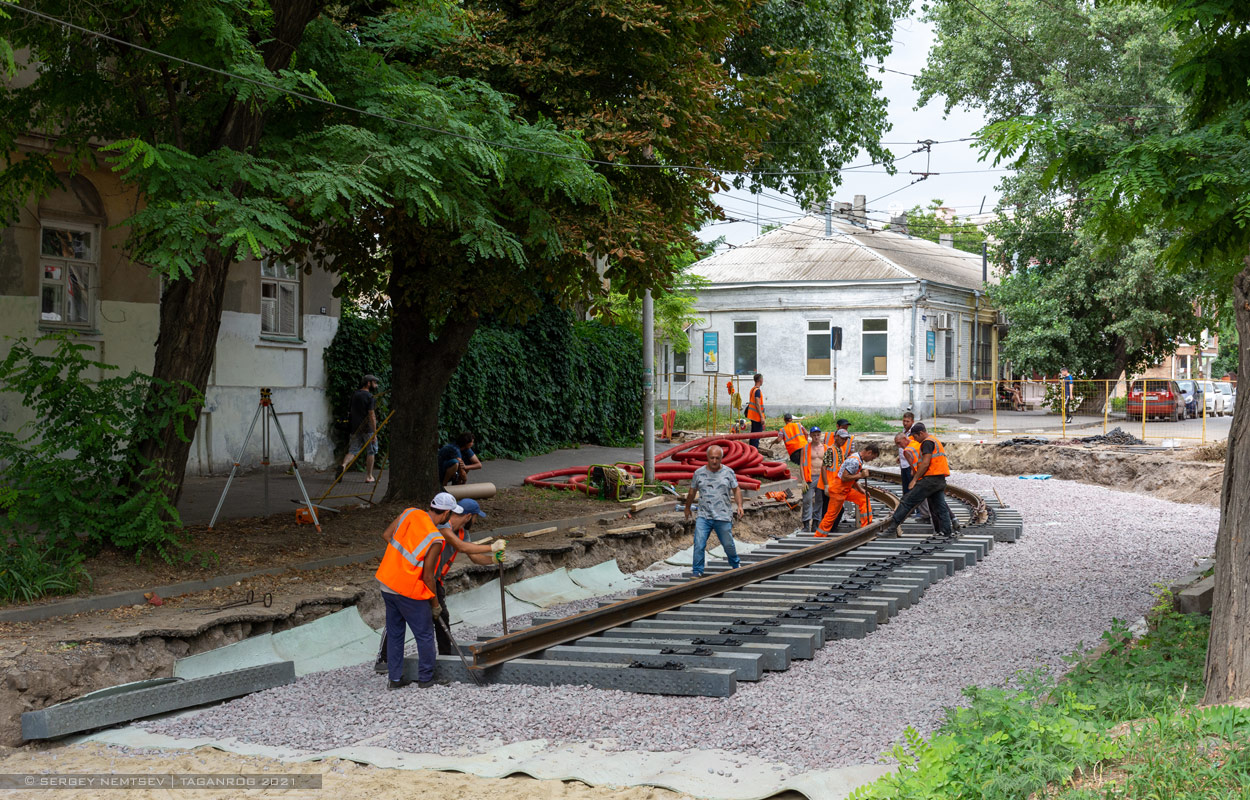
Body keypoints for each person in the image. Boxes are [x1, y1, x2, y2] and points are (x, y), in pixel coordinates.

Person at [377, 495, 505, 671]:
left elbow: (474, 556)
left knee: (441, 616)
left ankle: (445, 654)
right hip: (416, 577)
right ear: (469, 516)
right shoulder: (442, 528)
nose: (475, 521)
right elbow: (462, 547)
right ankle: (387, 660)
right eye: (475, 517)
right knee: (406, 619)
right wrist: (491, 547)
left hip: (434, 578)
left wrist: (494, 560)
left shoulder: (462, 533)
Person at [374, 495, 452, 689]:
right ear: (446, 513)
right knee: (424, 634)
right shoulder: (435, 538)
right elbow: (428, 577)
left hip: (387, 583)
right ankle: (425, 678)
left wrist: (399, 563)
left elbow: (387, 536)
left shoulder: (410, 512)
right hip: (408, 591)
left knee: (395, 633)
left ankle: (395, 679)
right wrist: (435, 605)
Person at [683, 445, 744, 578]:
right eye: (712, 458)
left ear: (722, 458)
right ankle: (697, 570)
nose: (715, 461)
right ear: (707, 458)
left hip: (723, 515)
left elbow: (736, 489)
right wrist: (687, 507)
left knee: (728, 544)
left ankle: (735, 565)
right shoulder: (699, 473)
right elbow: (692, 491)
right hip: (704, 516)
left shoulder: (729, 472)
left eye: (717, 458)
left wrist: (740, 505)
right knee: (699, 543)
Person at [883, 423, 953, 538]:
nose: (914, 439)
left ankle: (891, 529)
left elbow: (925, 463)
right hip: (940, 479)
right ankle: (947, 532)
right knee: (940, 507)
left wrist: (914, 480)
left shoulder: (927, 442)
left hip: (930, 479)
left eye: (915, 437)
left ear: (921, 433)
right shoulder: (934, 440)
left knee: (907, 501)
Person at [816, 443, 880, 536]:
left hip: (845, 489)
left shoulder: (857, 458)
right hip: (838, 490)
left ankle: (866, 527)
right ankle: (819, 536)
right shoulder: (854, 461)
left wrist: (860, 489)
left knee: (863, 498)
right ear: (869, 452)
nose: (871, 460)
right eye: (872, 458)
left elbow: (851, 476)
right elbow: (844, 477)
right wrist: (861, 475)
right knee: (831, 516)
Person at [339, 374, 379, 483]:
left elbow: (350, 411)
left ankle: (343, 465)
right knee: (371, 451)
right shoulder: (370, 397)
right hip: (367, 429)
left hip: (354, 427)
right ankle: (369, 476)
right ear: (368, 383)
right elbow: (371, 415)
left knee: (352, 450)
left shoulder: (355, 394)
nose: (376, 385)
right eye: (374, 382)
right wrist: (375, 433)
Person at [799, 426, 823, 533]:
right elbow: (801, 465)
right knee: (807, 500)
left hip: (822, 478)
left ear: (820, 435)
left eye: (818, 434)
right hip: (810, 478)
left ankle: (816, 523)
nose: (816, 437)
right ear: (811, 436)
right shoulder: (805, 448)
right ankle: (806, 524)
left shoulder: (825, 448)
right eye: (814, 435)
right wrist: (803, 480)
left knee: (819, 501)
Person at [745, 373, 765, 451]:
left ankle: (751, 451)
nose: (763, 381)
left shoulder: (753, 389)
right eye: (762, 379)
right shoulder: (757, 391)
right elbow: (757, 403)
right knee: (756, 436)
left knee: (753, 435)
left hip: (752, 416)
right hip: (757, 417)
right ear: (760, 380)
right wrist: (761, 417)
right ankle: (755, 452)